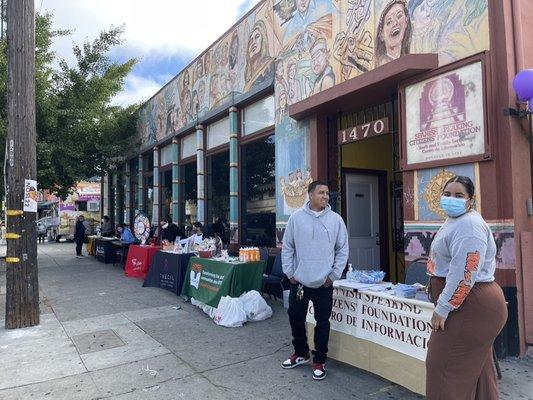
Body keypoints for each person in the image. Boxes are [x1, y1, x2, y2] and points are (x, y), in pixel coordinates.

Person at [425, 176, 507, 400]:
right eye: (448, 194)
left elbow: (464, 274)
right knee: (478, 369)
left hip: (469, 304)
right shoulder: (455, 219)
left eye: (459, 196)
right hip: (468, 302)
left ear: (470, 200)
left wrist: (443, 308)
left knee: (442, 368)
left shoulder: (469, 226)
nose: (452, 199)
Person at [281, 180, 349, 381]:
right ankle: (301, 353)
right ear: (310, 195)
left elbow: (342, 249)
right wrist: (290, 273)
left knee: (322, 323)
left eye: (327, 193)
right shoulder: (296, 218)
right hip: (300, 282)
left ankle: (319, 360)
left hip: (323, 283)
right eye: (321, 193)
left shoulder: (336, 220)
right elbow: (288, 247)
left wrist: (333, 276)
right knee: (296, 318)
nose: (325, 197)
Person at [375, 0, 412, 67]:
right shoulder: (382, 66)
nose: (395, 23)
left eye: (399, 16)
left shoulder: (410, 61)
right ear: (381, 35)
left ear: (406, 22)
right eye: (389, 22)